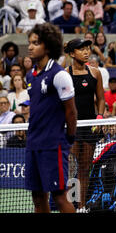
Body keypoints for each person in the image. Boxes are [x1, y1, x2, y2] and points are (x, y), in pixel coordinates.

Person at [25, 23, 77, 213]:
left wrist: (69, 139)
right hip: (33, 144)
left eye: (36, 43)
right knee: (38, 197)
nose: (30, 47)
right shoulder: (30, 75)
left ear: (47, 46)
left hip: (52, 145)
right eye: (29, 43)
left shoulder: (59, 75)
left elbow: (71, 112)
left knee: (59, 197)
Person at [64, 38, 105, 211]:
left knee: (85, 166)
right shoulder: (65, 74)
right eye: (81, 49)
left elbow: (101, 98)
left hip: (90, 126)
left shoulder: (95, 73)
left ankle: (81, 206)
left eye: (88, 48)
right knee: (70, 167)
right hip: (71, 126)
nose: (86, 52)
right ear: (72, 54)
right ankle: (68, 204)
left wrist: (100, 117)